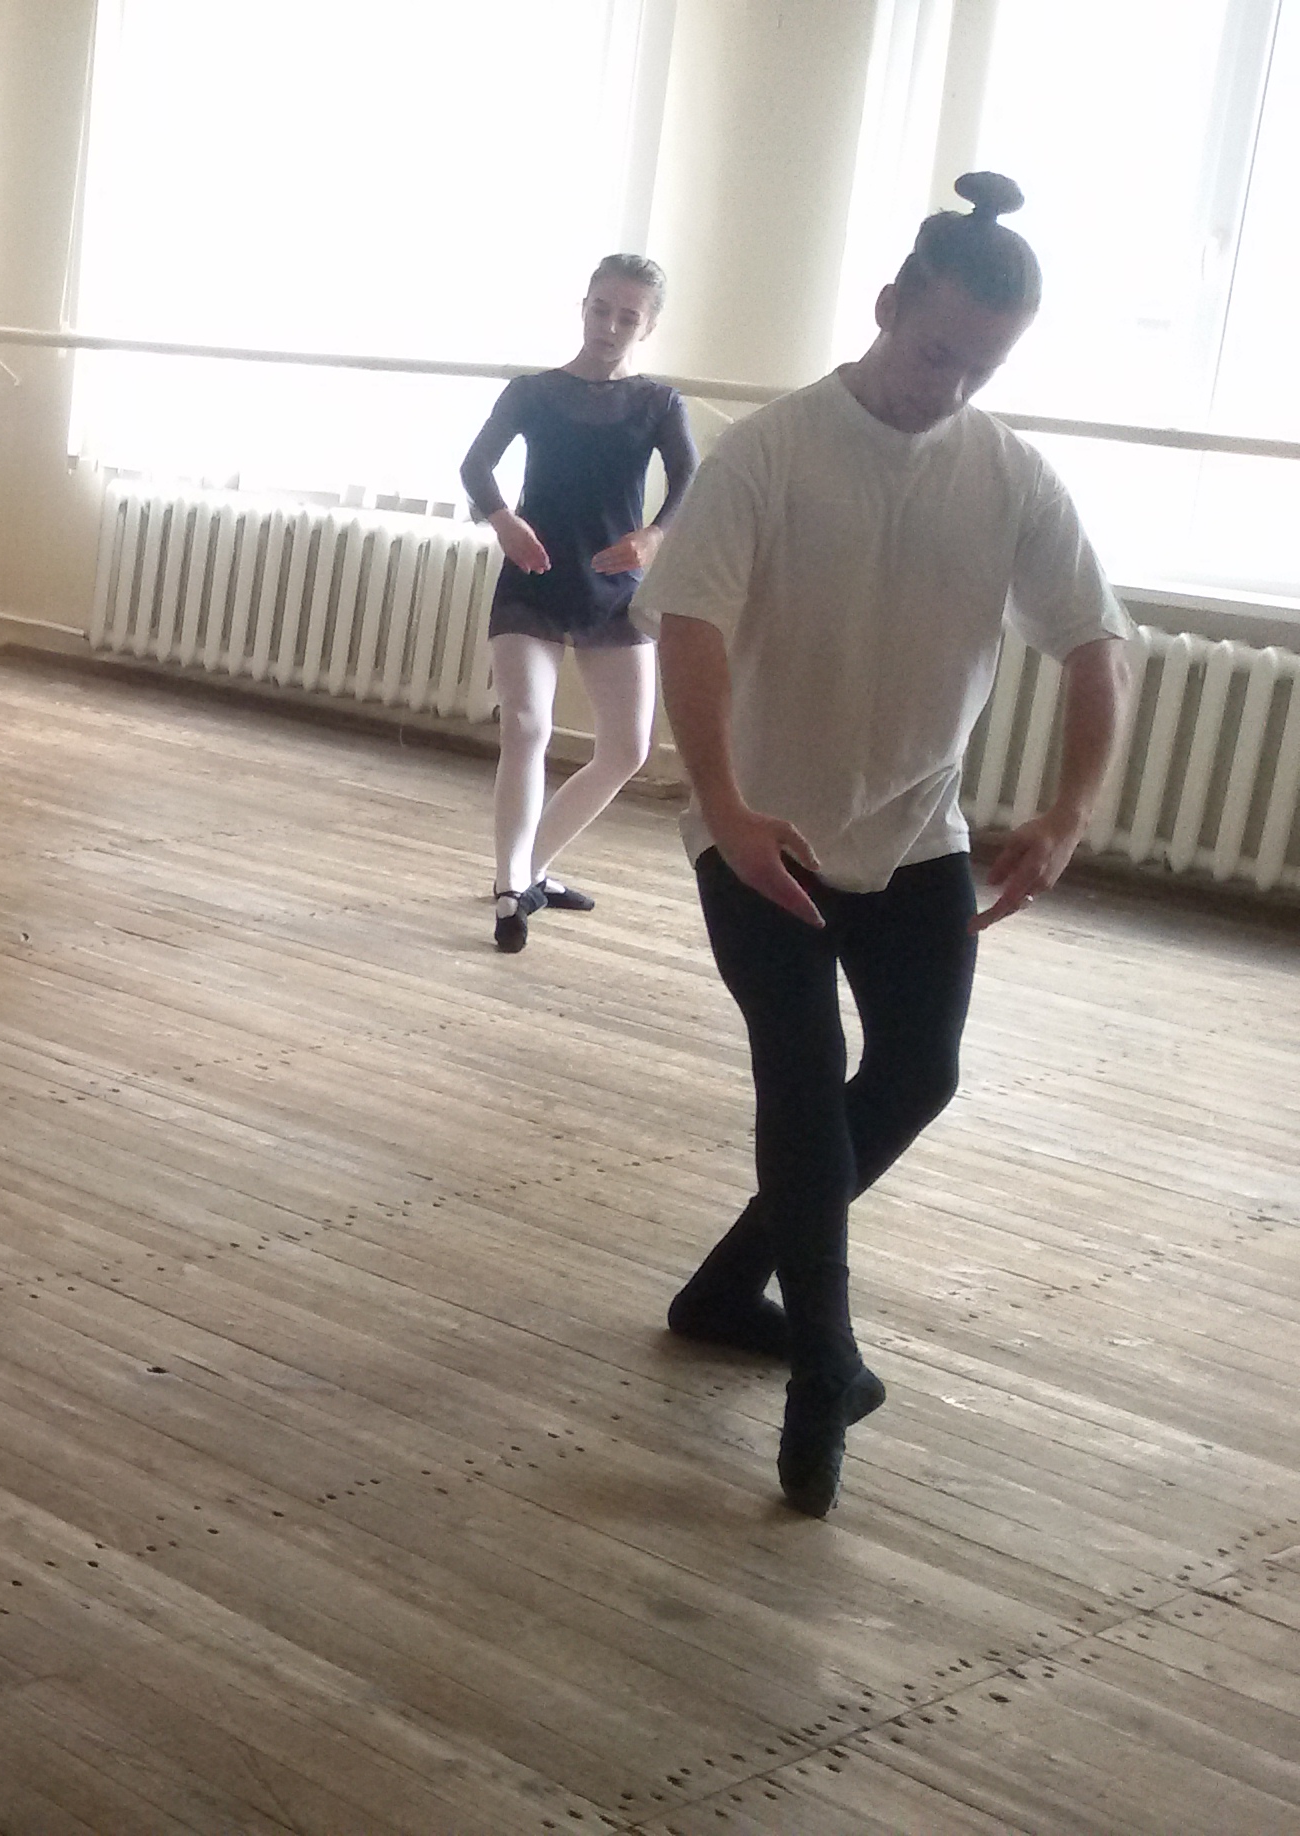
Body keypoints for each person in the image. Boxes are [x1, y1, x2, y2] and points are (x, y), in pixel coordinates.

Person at [639, 173, 1132, 1519]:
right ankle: (825, 1364)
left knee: (917, 1073)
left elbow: (1096, 645)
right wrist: (726, 805)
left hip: (918, 834)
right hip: (761, 835)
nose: (948, 386)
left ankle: (728, 1289)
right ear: (886, 308)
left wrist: (1069, 811)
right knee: (802, 1079)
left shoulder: (1009, 474)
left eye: (980, 368)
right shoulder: (770, 452)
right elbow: (691, 626)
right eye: (934, 353)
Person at [457, 254, 696, 952]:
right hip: (532, 578)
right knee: (526, 726)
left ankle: (532, 868)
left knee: (627, 748)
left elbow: (690, 477)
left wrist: (653, 536)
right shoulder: (533, 392)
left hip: (612, 586)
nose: (610, 325)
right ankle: (511, 889)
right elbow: (476, 465)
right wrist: (502, 519)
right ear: (583, 307)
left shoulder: (658, 403)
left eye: (627, 316)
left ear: (647, 326)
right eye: (600, 309)